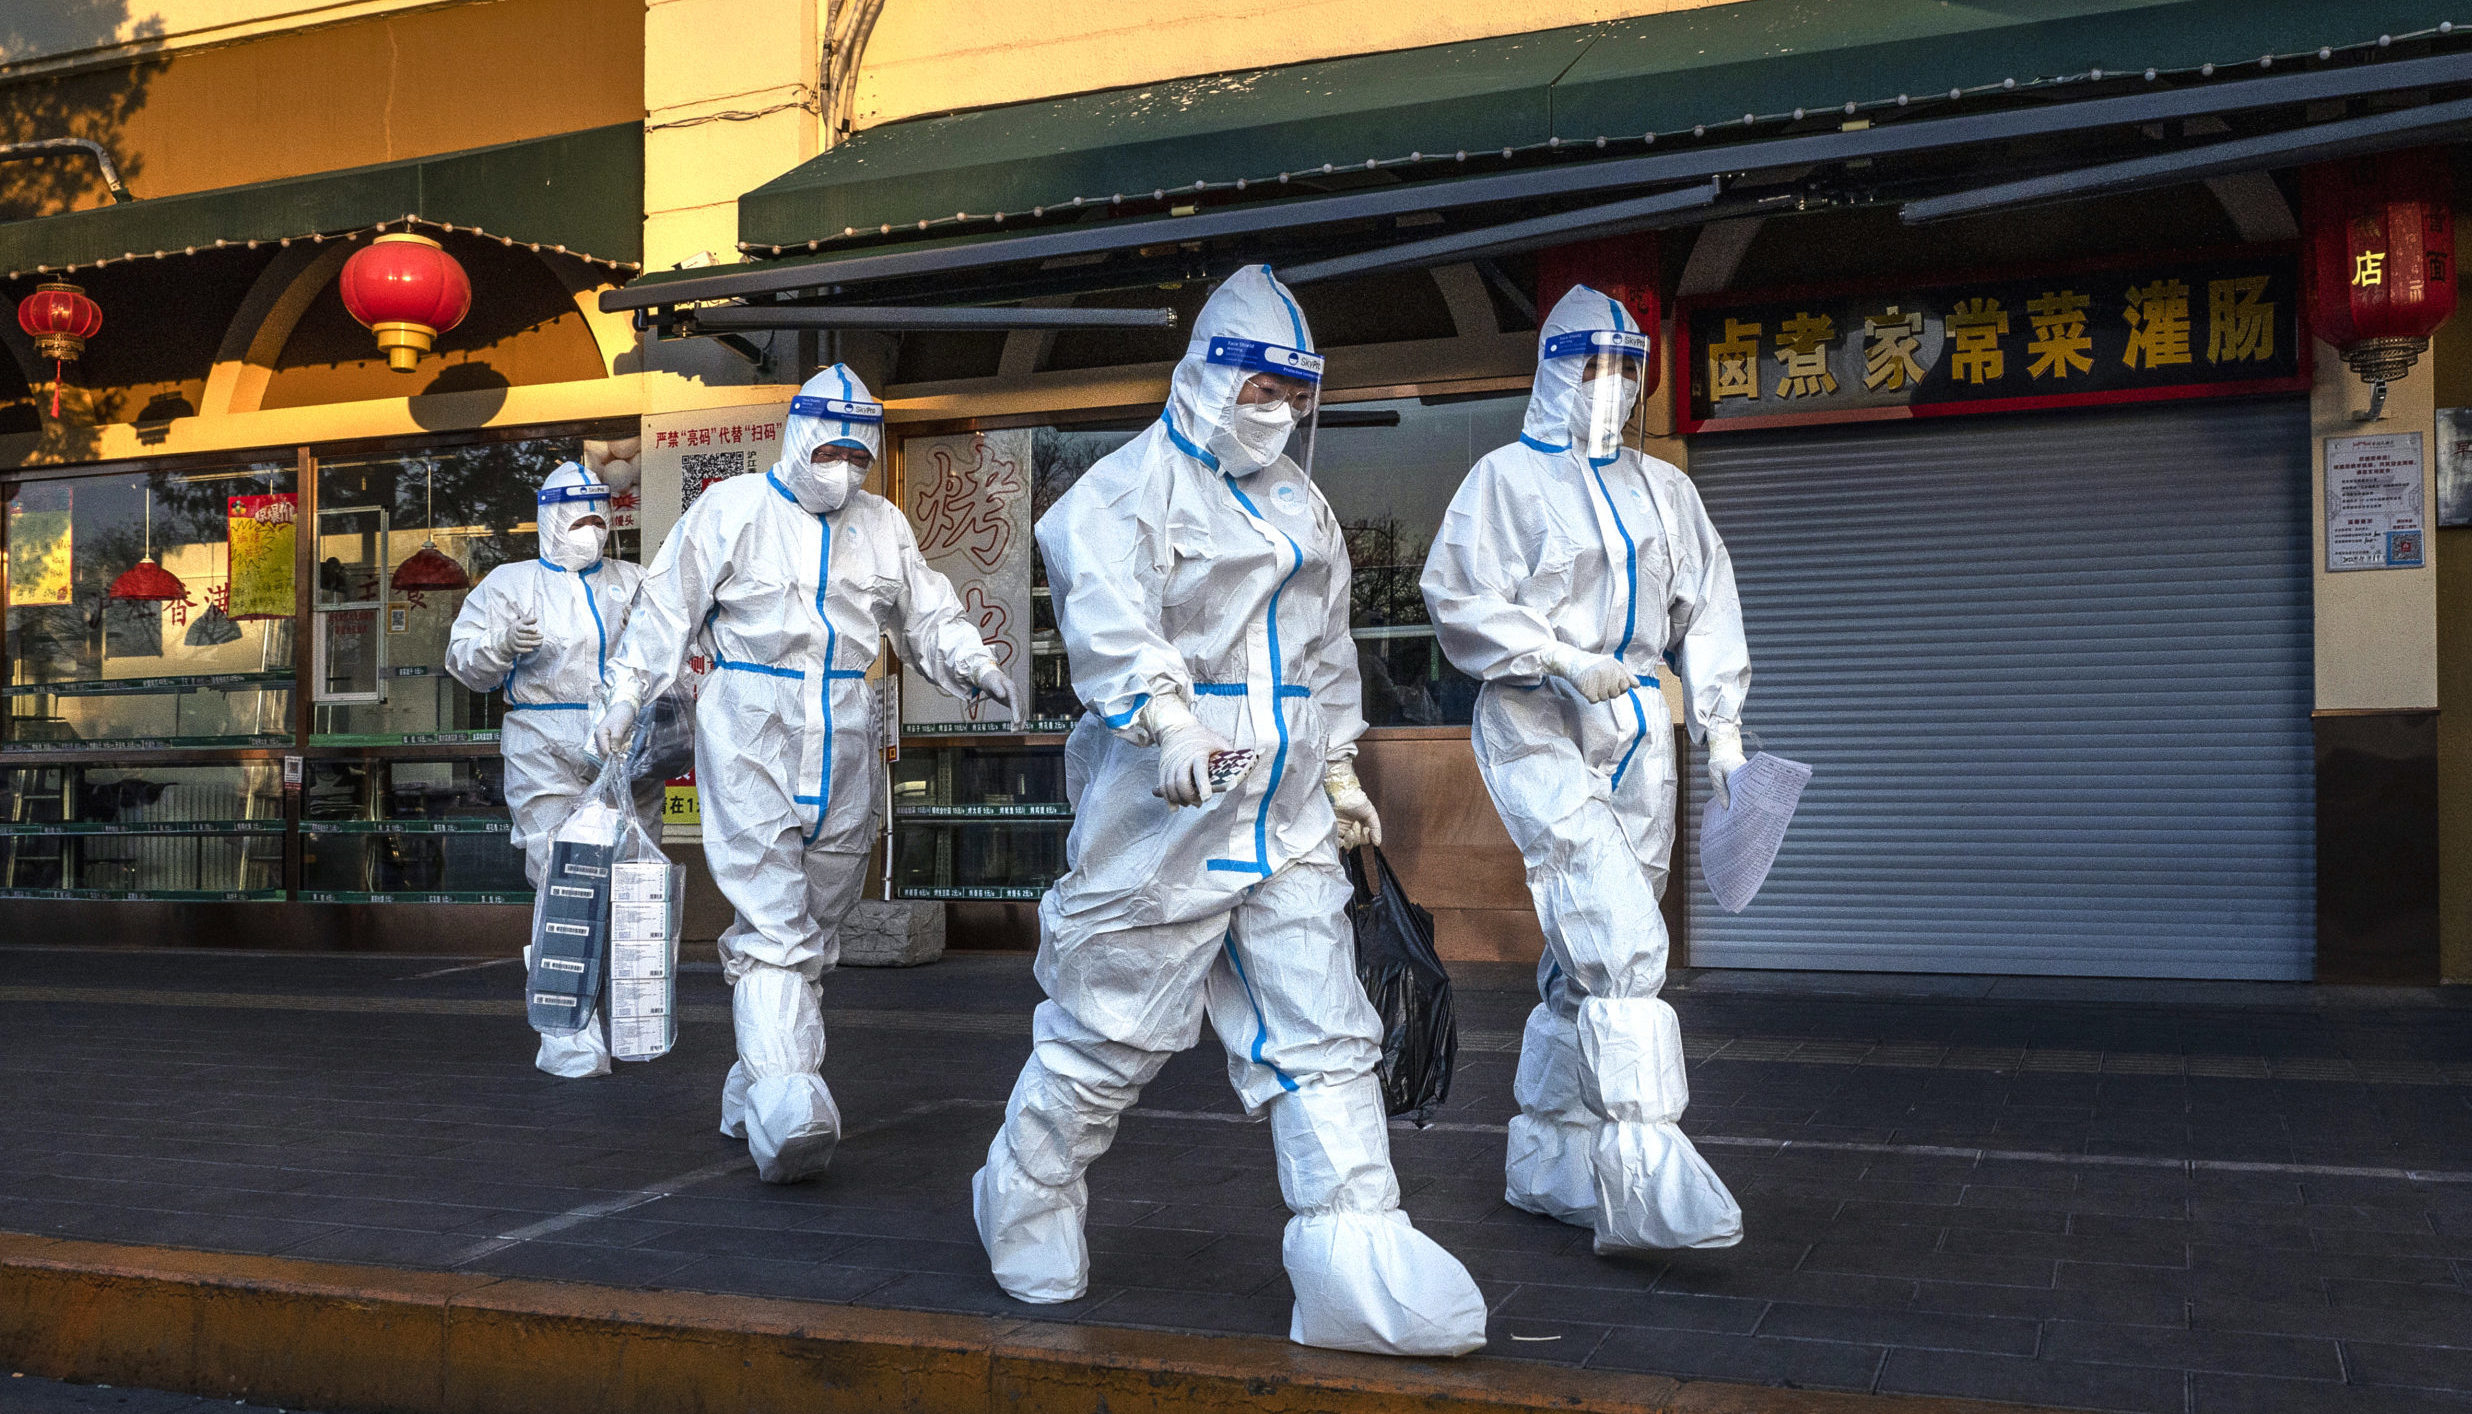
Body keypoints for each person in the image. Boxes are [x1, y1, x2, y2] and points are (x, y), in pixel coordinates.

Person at [971, 265, 1486, 1358]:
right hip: (1162, 820)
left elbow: (1325, 652)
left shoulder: (1302, 505)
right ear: (1205, 373)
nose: (1278, 412)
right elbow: (1114, 630)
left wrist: (1341, 770)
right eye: (1259, 387)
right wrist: (1167, 723)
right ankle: (1023, 1190)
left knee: (1324, 1035)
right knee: (1106, 1034)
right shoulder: (1118, 493)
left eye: (1293, 392)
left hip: (1287, 817)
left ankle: (1355, 1252)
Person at [591, 365, 1013, 1183]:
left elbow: (926, 610)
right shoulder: (733, 510)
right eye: (830, 447)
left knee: (819, 924)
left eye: (860, 453)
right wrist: (625, 697)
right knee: (775, 918)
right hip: (751, 719)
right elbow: (665, 607)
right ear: (795, 433)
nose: (844, 466)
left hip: (845, 724)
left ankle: (751, 1080)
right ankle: (789, 1101)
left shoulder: (882, 524)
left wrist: (972, 663)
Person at [1419, 285, 1751, 1255]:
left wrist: (1720, 727)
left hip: (1640, 722)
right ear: (1555, 372)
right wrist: (1557, 655)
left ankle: (1548, 1159)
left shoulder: (1665, 491)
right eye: (1593, 368)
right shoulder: (1506, 482)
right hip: (1534, 715)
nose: (1611, 388)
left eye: (1624, 370)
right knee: (1618, 939)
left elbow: (1709, 598)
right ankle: (1644, 1171)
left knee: (1586, 957)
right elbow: (1455, 595)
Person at [446, 459, 657, 1079]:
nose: (592, 529)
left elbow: (670, 642)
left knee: (629, 879)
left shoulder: (634, 580)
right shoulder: (510, 586)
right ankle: (564, 1028)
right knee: (560, 879)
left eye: (600, 516)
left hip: (625, 745)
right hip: (544, 742)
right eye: (580, 518)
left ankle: (625, 1017)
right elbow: (463, 660)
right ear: (550, 522)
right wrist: (500, 645)